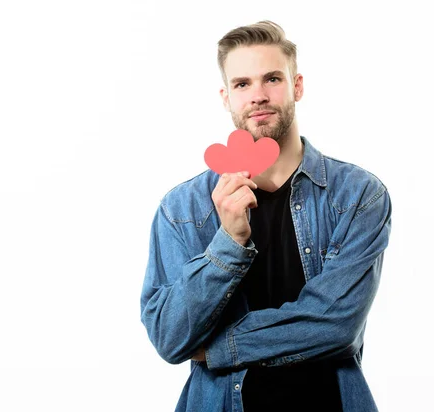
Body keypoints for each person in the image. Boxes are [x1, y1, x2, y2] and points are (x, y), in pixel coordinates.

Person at [140, 20, 392, 412]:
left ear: (298, 86)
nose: (258, 95)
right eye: (242, 84)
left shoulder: (357, 195)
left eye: (272, 78)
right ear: (226, 97)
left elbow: (337, 325)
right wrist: (228, 243)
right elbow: (171, 338)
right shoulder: (182, 209)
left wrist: (220, 348)